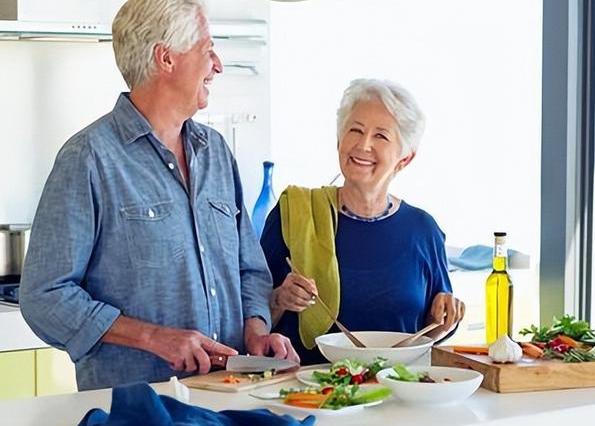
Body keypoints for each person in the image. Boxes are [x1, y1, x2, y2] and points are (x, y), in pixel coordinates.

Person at [19, 0, 297, 391]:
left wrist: (256, 329)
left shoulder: (216, 152)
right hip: (140, 406)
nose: (217, 64)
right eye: (206, 50)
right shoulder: (89, 158)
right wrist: (154, 337)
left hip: (231, 398)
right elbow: (44, 296)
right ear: (166, 59)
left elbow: (248, 269)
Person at [260, 78, 465, 364]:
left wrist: (443, 323)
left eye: (381, 136)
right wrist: (280, 299)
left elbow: (429, 331)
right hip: (308, 394)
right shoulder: (293, 213)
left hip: (397, 392)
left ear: (405, 158)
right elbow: (249, 317)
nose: (363, 145)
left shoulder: (424, 230)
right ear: (339, 141)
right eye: (355, 130)